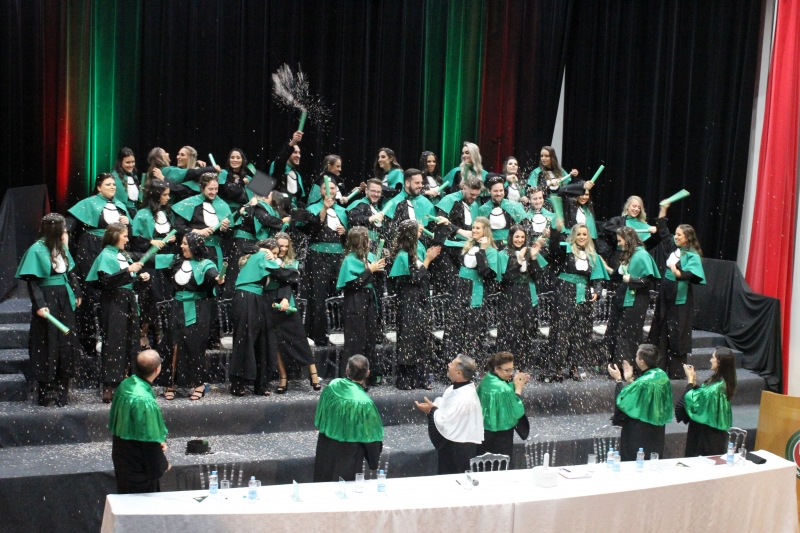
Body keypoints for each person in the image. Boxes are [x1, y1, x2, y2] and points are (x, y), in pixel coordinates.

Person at [15, 214, 83, 406]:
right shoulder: (36, 249)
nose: (65, 231)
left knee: (66, 340)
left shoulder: (62, 248)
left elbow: (70, 272)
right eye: (62, 228)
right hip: (47, 298)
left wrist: (76, 291)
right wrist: (40, 304)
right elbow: (32, 281)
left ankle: (63, 389)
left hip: (64, 297)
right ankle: (46, 390)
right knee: (47, 341)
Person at [86, 223, 150, 403]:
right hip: (113, 302)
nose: (127, 239)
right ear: (114, 236)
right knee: (114, 342)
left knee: (131, 341)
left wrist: (141, 280)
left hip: (128, 301)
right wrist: (127, 271)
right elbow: (105, 282)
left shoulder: (124, 255)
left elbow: (129, 283)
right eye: (124, 236)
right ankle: (110, 384)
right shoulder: (106, 255)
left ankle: (129, 381)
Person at [159, 233, 223, 400]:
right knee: (173, 344)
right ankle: (170, 383)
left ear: (195, 246)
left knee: (195, 345)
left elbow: (212, 273)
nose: (182, 246)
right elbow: (154, 260)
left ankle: (198, 383)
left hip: (198, 308)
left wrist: (217, 278)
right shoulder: (176, 261)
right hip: (177, 307)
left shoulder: (205, 263)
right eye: (182, 243)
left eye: (185, 243)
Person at [648, 204, 706, 378]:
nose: (676, 236)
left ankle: (676, 371)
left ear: (687, 238)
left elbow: (691, 274)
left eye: (679, 234)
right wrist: (663, 209)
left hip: (680, 298)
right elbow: (663, 231)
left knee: (677, 331)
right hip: (666, 293)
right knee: (662, 326)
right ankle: (659, 365)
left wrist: (677, 272)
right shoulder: (674, 248)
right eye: (676, 234)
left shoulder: (692, 255)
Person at [547, 222, 609, 382]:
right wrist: (555, 232)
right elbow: (553, 251)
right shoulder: (565, 250)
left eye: (584, 234)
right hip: (565, 292)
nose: (582, 237)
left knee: (580, 331)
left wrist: (597, 290)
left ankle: (575, 367)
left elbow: (597, 278)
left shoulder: (593, 256)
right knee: (562, 329)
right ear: (574, 236)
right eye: (579, 234)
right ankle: (557, 367)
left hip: (584, 295)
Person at [313, 355, 384, 482]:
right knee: (344, 488)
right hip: (349, 456)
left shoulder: (332, 386)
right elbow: (371, 438)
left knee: (323, 484)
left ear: (346, 370)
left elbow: (321, 417)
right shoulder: (365, 403)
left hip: (326, 450)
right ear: (368, 374)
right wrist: (373, 461)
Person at [389, 220, 441, 389]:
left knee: (423, 338)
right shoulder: (402, 255)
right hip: (408, 301)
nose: (421, 233)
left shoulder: (419, 248)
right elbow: (414, 278)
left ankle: (421, 378)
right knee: (408, 340)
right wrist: (428, 260)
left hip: (422, 299)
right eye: (418, 231)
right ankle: (405, 379)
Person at [266, 232, 321, 393]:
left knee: (299, 339)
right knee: (277, 342)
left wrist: (284, 298)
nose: (283, 249)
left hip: (287, 302)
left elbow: (288, 283)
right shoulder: (267, 259)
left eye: (286, 246)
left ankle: (313, 374)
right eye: (280, 246)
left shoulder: (292, 263)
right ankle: (283, 378)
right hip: (270, 301)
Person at [109, 349, 169, 494]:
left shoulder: (125, 385)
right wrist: (161, 463)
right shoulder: (143, 400)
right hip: (139, 465)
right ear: (157, 369)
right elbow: (148, 438)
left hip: (122, 454)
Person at [414, 354, 484, 475]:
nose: (448, 365)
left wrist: (432, 410)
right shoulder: (454, 388)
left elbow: (446, 422)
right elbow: (445, 407)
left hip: (460, 449)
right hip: (452, 446)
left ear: (459, 373)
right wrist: (433, 407)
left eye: (452, 364)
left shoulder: (465, 398)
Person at [443, 217, 499, 364]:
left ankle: (471, 366)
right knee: (455, 329)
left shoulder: (491, 251)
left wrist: (482, 250)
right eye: (473, 227)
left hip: (475, 292)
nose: (474, 230)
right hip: (460, 290)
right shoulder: (468, 245)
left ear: (485, 230)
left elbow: (486, 273)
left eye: (478, 228)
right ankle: (452, 364)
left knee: (472, 331)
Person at [229, 239, 281, 397]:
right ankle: (240, 382)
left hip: (259, 299)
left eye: (277, 253)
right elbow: (246, 247)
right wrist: (263, 252)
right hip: (248, 298)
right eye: (273, 252)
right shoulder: (258, 257)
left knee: (261, 340)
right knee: (245, 339)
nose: (275, 256)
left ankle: (259, 382)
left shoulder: (264, 259)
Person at [130, 179, 177, 349]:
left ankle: (161, 333)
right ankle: (143, 334)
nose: (168, 198)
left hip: (166, 261)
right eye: (165, 195)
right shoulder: (142, 214)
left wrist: (172, 239)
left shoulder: (167, 213)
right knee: (149, 299)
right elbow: (135, 240)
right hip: (150, 262)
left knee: (165, 297)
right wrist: (151, 241)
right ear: (156, 196)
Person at [605, 227, 661, 370]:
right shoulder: (629, 254)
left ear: (627, 240)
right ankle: (617, 365)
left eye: (620, 241)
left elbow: (648, 280)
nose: (618, 244)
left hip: (636, 301)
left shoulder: (641, 255)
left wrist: (631, 280)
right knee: (619, 331)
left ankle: (628, 367)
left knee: (629, 334)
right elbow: (617, 275)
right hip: (623, 299)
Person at [607, 344, 673, 461]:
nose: (635, 358)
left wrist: (618, 379)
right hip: (656, 431)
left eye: (636, 356)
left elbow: (623, 402)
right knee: (652, 459)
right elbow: (645, 397)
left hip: (639, 432)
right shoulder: (662, 376)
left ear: (642, 362)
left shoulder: (643, 382)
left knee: (636, 461)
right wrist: (630, 380)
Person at [336, 227, 385, 382]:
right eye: (366, 238)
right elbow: (352, 284)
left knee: (369, 339)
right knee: (356, 340)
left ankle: (366, 377)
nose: (370, 241)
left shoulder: (368, 256)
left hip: (369, 299)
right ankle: (351, 377)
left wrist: (378, 269)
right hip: (355, 301)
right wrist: (370, 270)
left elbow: (373, 280)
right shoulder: (349, 260)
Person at [303, 180, 348, 346]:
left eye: (333, 187)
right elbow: (311, 229)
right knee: (319, 295)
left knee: (338, 294)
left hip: (339, 256)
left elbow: (350, 236)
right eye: (326, 188)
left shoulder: (343, 211)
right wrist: (324, 208)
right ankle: (318, 335)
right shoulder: (313, 208)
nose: (330, 190)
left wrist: (345, 231)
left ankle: (339, 332)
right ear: (320, 191)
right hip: (318, 255)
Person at [496, 227, 546, 370]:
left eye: (522, 237)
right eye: (517, 237)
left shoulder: (530, 252)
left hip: (527, 294)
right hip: (510, 294)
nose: (519, 240)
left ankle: (522, 363)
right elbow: (505, 278)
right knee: (509, 329)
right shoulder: (503, 254)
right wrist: (518, 262)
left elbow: (538, 277)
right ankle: (505, 365)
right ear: (511, 237)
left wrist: (534, 258)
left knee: (526, 328)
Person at [676, 347, 737, 456]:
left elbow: (694, 400)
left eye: (713, 358)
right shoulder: (722, 381)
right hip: (709, 430)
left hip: (707, 434)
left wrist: (690, 381)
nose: (710, 360)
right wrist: (694, 384)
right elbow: (704, 396)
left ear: (719, 362)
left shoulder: (717, 388)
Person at [476, 351, 531, 463]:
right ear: (497, 368)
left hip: (484, 432)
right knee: (501, 465)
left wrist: (515, 383)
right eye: (507, 370)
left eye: (512, 370)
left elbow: (502, 394)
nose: (510, 374)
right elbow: (515, 411)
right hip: (500, 437)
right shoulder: (502, 389)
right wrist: (518, 388)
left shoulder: (487, 379)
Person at [431, 177, 483, 294]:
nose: (474, 197)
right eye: (471, 194)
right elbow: (440, 221)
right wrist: (459, 231)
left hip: (465, 249)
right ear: (464, 188)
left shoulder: (474, 204)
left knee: (463, 287)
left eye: (477, 195)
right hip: (446, 249)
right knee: (447, 286)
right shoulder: (450, 199)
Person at [172, 172, 232, 271]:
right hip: (193, 250)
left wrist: (224, 229)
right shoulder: (190, 203)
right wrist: (197, 232)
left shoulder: (223, 205)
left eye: (216, 189)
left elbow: (228, 235)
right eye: (210, 189)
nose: (214, 192)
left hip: (214, 252)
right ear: (202, 188)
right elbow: (178, 226)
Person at [381, 168, 436, 241]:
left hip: (423, 245)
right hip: (402, 244)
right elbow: (389, 232)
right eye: (417, 183)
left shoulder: (426, 203)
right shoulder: (394, 203)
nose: (421, 185)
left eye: (421, 182)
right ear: (407, 183)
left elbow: (433, 229)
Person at [479, 174, 529, 246]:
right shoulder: (483, 209)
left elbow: (526, 225)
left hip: (510, 245)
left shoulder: (514, 206)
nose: (499, 193)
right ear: (489, 191)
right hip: (490, 245)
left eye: (501, 190)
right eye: (495, 191)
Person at [270, 131, 306, 207]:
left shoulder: (297, 175)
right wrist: (293, 142)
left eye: (299, 153)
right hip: (278, 209)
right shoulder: (278, 166)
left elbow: (300, 198)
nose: (298, 156)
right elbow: (280, 161)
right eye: (295, 152)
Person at [346, 178, 387, 245]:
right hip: (361, 245)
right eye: (373, 191)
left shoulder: (377, 209)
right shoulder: (359, 204)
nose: (376, 194)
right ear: (366, 190)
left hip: (376, 246)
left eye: (378, 192)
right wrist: (370, 219)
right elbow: (352, 219)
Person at [110, 147, 140, 216]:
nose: (131, 165)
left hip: (134, 212)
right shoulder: (113, 177)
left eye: (133, 162)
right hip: (121, 213)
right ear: (120, 162)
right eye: (127, 162)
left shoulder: (134, 176)